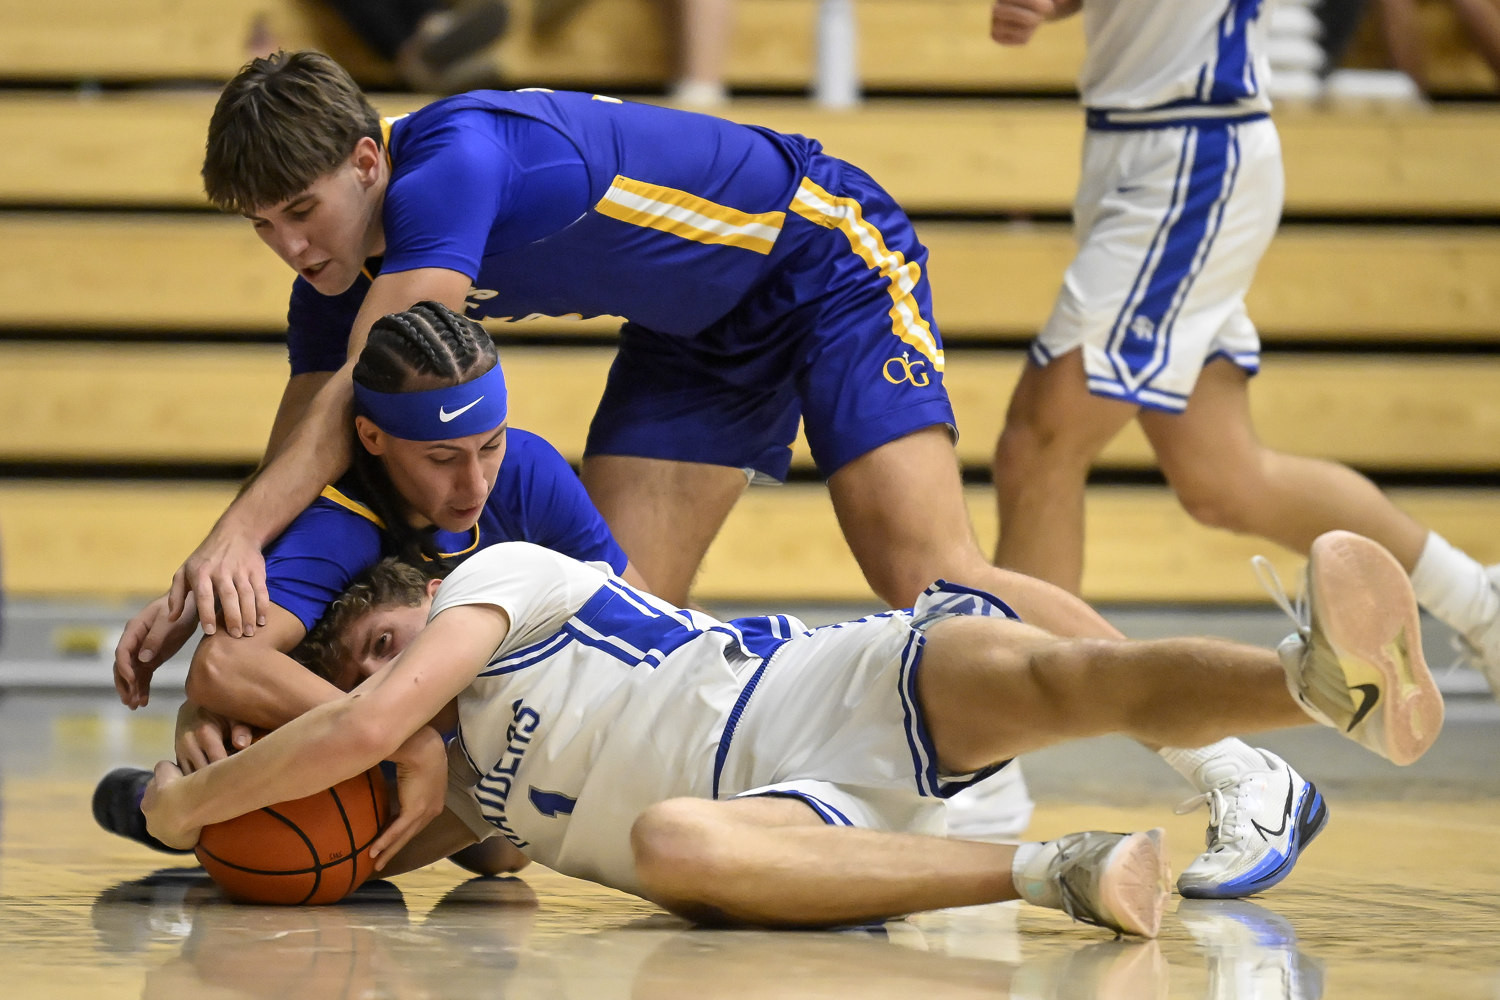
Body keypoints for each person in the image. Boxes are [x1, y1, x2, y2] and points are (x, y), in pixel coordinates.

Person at [135, 49, 1329, 893]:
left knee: (931, 570)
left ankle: (1238, 766)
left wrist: (222, 551)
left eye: (303, 211)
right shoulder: (333, 275)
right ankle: (581, 824)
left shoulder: (445, 164)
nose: (293, 248)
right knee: (611, 631)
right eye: (264, 229)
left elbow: (355, 394)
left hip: (819, 250)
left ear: (365, 159)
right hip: (696, 328)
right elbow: (299, 451)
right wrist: (214, 611)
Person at [141, 529, 1443, 938]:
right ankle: (1061, 870)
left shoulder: (505, 575)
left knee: (1063, 679)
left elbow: (364, 721)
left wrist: (184, 809)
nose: (399, 674)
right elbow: (354, 855)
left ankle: (1318, 685)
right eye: (376, 661)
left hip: (831, 691)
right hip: (800, 831)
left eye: (392, 640)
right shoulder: (465, 799)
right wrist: (227, 798)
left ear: (427, 605)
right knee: (667, 846)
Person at [986, 3, 1500, 695]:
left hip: (1192, 148)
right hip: (1136, 145)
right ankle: (1482, 605)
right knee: (1225, 477)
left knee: (1041, 445)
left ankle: (993, 759)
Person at [95, 301, 640, 869]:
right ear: (373, 438)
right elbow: (222, 667)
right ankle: (171, 808)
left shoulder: (530, 471)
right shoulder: (338, 521)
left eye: (491, 445)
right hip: (355, 739)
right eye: (441, 458)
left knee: (501, 854)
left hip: (463, 729)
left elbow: (651, 607)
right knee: (301, 839)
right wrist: (400, 739)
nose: (474, 483)